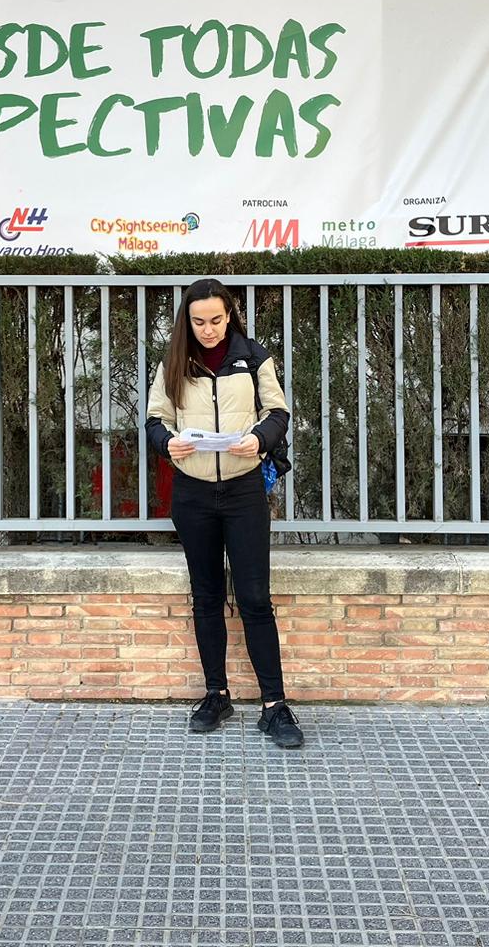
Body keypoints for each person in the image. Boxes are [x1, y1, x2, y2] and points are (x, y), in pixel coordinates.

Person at [145, 278, 302, 748]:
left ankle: (274, 706)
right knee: (206, 595)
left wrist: (261, 439)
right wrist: (167, 443)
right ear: (186, 322)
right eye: (198, 321)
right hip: (193, 493)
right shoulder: (175, 361)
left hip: (243, 491)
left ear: (229, 315)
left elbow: (278, 412)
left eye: (216, 319)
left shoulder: (254, 358)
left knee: (255, 596)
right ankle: (217, 693)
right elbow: (155, 419)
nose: (208, 329)